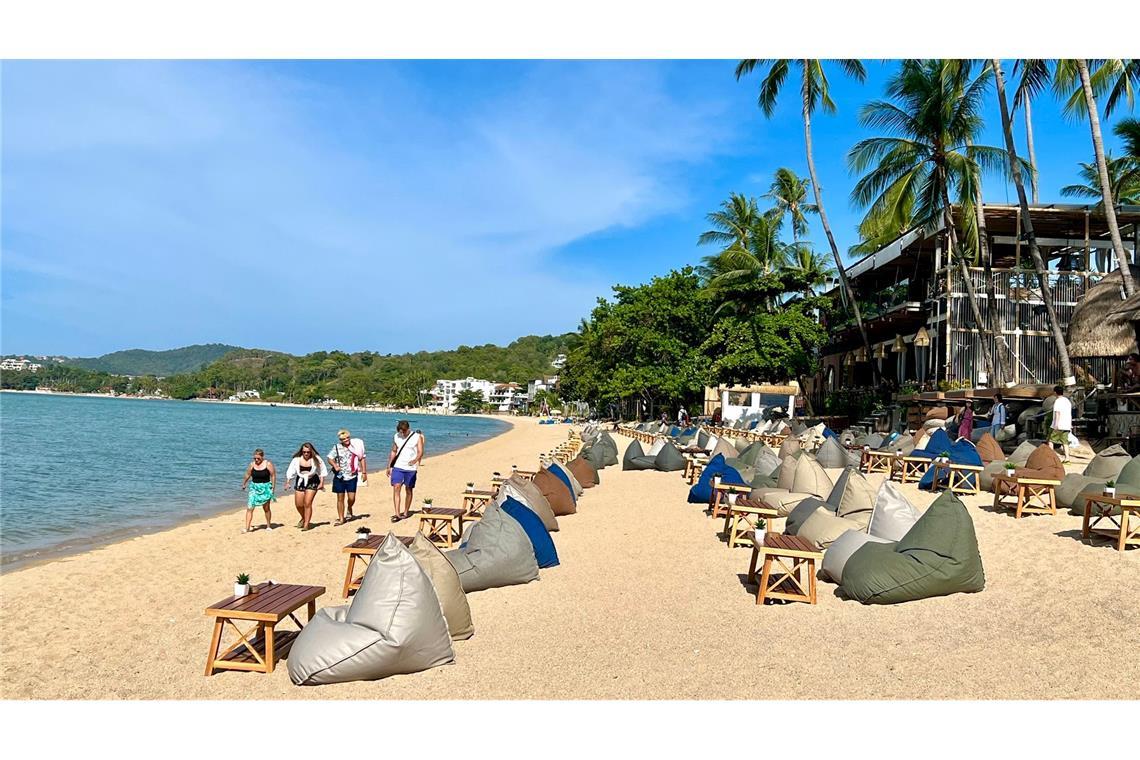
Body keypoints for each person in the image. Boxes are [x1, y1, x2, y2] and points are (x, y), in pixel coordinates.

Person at [386, 420, 424, 523]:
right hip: (398, 466)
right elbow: (394, 451)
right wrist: (389, 466)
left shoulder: (417, 437)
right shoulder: (396, 436)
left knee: (408, 489)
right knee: (396, 487)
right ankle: (397, 513)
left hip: (410, 468)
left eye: (404, 432)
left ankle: (406, 512)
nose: (402, 434)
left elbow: (420, 451)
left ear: (408, 429)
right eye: (400, 432)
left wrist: (415, 460)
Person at [327, 429, 367, 525]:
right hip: (340, 476)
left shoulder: (356, 447)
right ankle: (341, 518)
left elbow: (362, 458)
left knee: (351, 498)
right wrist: (335, 466)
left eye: (347, 438)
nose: (346, 440)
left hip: (352, 475)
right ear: (340, 440)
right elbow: (329, 458)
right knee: (340, 498)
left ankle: (349, 508)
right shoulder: (337, 447)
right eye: (343, 439)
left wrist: (364, 472)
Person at [285, 441, 327, 531]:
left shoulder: (316, 459)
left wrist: (322, 483)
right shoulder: (296, 459)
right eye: (304, 452)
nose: (306, 454)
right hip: (300, 481)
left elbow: (322, 470)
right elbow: (291, 470)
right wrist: (288, 482)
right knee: (299, 504)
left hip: (312, 480)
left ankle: (306, 525)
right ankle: (304, 518)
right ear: (301, 451)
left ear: (311, 451)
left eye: (308, 452)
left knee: (307, 503)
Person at [240, 449, 276, 533]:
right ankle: (247, 528)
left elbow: (273, 475)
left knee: (266, 508)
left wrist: (273, 488)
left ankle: (268, 525)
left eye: (258, 458)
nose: (256, 460)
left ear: (262, 457)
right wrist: (244, 483)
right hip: (254, 488)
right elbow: (248, 474)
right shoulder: (252, 465)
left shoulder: (268, 464)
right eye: (255, 458)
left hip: (265, 487)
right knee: (250, 507)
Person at [1049, 384, 1073, 463]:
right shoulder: (1067, 401)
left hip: (1058, 425)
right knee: (1065, 442)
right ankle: (1067, 458)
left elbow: (1057, 413)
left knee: (1050, 441)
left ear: (1055, 393)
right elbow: (1070, 413)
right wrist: (1070, 424)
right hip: (1066, 425)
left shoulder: (1057, 401)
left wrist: (1056, 424)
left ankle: (1051, 458)